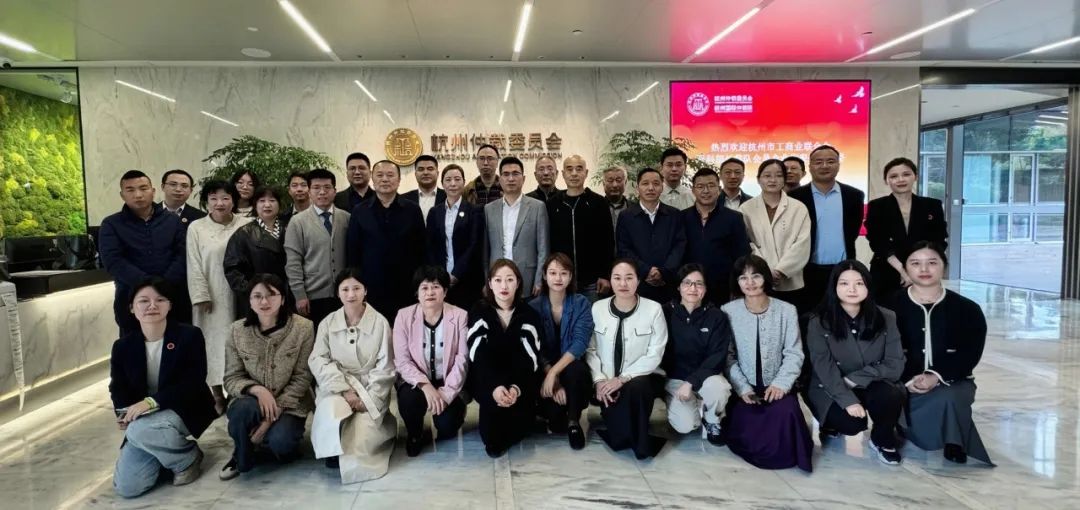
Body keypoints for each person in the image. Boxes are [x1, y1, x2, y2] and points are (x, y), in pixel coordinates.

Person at [109, 277, 215, 498]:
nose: (152, 306)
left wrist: (150, 403)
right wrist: (123, 412)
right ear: (132, 307)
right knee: (128, 487)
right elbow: (117, 387)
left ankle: (187, 457)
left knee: (139, 430)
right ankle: (164, 453)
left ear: (170, 305)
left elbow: (193, 382)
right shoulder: (122, 346)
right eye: (143, 301)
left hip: (182, 408)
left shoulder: (190, 336)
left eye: (160, 299)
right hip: (145, 420)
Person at [892, 241, 992, 465]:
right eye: (915, 263)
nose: (924, 269)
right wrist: (909, 378)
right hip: (902, 380)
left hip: (951, 381)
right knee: (889, 396)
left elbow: (970, 353)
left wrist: (936, 376)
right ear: (905, 269)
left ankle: (953, 441)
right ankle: (897, 428)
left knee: (950, 396)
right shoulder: (888, 306)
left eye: (932, 263)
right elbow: (883, 350)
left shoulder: (967, 309)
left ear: (944, 266)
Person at [805, 261, 907, 465]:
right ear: (834, 287)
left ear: (868, 286)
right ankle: (830, 423)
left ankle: (882, 439)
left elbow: (895, 364)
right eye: (844, 283)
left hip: (873, 382)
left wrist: (855, 378)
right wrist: (847, 400)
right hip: (831, 385)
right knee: (851, 424)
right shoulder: (818, 321)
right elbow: (823, 367)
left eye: (859, 283)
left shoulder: (886, 317)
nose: (852, 289)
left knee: (891, 395)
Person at [721, 255, 812, 472]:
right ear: (737, 282)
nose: (750, 282)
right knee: (749, 426)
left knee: (786, 415)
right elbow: (728, 357)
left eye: (756, 276)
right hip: (745, 388)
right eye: (743, 278)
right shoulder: (728, 311)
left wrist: (781, 384)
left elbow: (794, 353)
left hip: (778, 386)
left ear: (765, 278)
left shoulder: (787, 310)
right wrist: (742, 387)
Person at [220, 274, 315, 480]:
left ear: (283, 298)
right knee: (241, 412)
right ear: (250, 301)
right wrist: (258, 390)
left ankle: (263, 444)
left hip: (289, 403)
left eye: (271, 295)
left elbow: (303, 377)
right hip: (252, 400)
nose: (264, 302)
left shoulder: (303, 328)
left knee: (281, 441)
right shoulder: (236, 331)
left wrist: (269, 419)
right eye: (257, 296)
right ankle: (241, 456)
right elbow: (232, 377)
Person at [309, 268, 397, 483]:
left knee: (362, 434)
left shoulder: (380, 322)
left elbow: (386, 366)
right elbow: (318, 359)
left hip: (369, 388)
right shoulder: (328, 322)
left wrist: (370, 398)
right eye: (345, 289)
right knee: (330, 412)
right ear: (338, 293)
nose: (351, 294)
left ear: (365, 291)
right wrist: (344, 389)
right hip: (337, 386)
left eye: (356, 288)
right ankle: (332, 449)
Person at [587, 259, 668, 459]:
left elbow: (655, 353)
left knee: (637, 387)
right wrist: (599, 380)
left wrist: (623, 378)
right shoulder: (597, 308)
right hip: (606, 382)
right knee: (618, 432)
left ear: (638, 281)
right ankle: (627, 429)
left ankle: (640, 443)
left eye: (629, 278)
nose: (623, 283)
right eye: (617, 278)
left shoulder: (654, 309)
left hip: (642, 379)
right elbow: (591, 349)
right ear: (610, 280)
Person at [466, 259, 543, 458]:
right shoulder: (479, 311)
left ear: (518, 283)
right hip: (489, 383)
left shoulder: (529, 314)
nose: (504, 286)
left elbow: (530, 359)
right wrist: (495, 387)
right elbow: (477, 355)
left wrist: (515, 388)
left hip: (520, 383)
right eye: (498, 280)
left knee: (522, 428)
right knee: (492, 441)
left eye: (509, 279)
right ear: (490, 284)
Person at [186, 180, 252, 413]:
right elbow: (193, 263)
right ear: (206, 202)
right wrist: (200, 295)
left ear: (234, 200)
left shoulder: (247, 224)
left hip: (242, 294)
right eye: (213, 198)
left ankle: (238, 391)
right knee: (213, 343)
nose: (219, 203)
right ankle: (216, 393)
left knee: (242, 341)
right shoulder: (196, 228)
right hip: (211, 295)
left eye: (225, 198)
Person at [99, 170, 189, 336]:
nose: (138, 195)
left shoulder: (172, 221)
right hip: (130, 298)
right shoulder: (111, 224)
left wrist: (164, 284)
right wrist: (147, 284)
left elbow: (182, 255)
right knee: (134, 346)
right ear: (122, 195)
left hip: (171, 296)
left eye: (143, 188)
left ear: (153, 191)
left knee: (176, 344)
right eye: (130, 190)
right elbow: (113, 261)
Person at [393, 266, 470, 456]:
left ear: (445, 291)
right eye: (424, 287)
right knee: (409, 401)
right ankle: (415, 434)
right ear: (417, 293)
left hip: (447, 381)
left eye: (436, 286)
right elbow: (402, 361)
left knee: (447, 426)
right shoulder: (403, 316)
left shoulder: (460, 316)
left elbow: (462, 359)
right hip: (416, 382)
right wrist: (425, 386)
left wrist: (446, 393)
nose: (430, 292)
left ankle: (451, 417)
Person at [661, 263, 733, 445]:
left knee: (719, 388)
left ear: (706, 288)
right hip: (676, 379)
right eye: (687, 283)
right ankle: (685, 407)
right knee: (686, 425)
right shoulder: (665, 312)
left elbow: (717, 355)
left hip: (707, 376)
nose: (693, 288)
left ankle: (712, 419)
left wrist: (692, 382)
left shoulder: (717, 316)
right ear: (679, 287)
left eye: (699, 284)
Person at [528, 253, 594, 449]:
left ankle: (574, 422)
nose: (558, 278)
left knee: (577, 370)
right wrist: (550, 375)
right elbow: (535, 347)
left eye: (564, 273)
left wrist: (555, 373)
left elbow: (580, 343)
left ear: (571, 276)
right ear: (544, 275)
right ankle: (553, 413)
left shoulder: (581, 303)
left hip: (571, 368)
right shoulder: (533, 307)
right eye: (553, 273)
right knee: (556, 421)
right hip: (544, 369)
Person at [788, 145, 865, 311]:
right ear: (810, 167)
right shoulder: (795, 197)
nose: (824, 166)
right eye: (818, 162)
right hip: (806, 270)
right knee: (808, 315)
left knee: (842, 313)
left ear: (838, 165)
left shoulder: (854, 195)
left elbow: (852, 231)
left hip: (842, 269)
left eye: (830, 161)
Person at [347, 160, 426, 316]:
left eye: (390, 175)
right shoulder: (360, 211)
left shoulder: (412, 210)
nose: (385, 179)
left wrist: (420, 283)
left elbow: (421, 249)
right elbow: (353, 251)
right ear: (372, 178)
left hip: (406, 285)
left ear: (399, 180)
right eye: (380, 175)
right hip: (371, 286)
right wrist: (355, 285)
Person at [865, 157, 948, 301]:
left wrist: (919, 267)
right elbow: (878, 243)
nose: (900, 180)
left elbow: (939, 239)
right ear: (886, 181)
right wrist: (903, 271)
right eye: (894, 176)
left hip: (924, 271)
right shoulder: (877, 206)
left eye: (906, 174)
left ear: (915, 176)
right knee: (885, 311)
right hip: (887, 269)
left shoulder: (932, 205)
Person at [739, 159, 811, 309]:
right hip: (758, 280)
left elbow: (802, 244)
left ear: (784, 179)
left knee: (790, 319)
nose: (772, 180)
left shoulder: (798, 208)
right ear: (758, 179)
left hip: (790, 281)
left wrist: (780, 271)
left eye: (778, 175)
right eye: (767, 176)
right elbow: (746, 243)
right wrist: (765, 271)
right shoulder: (746, 208)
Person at [285, 168, 350, 330]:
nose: (322, 192)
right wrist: (300, 295)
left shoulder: (347, 218)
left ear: (335, 191)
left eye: (327, 187)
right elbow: (293, 262)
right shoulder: (298, 222)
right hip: (312, 296)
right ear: (309, 191)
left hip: (344, 294)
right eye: (316, 188)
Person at [547, 155, 614, 301]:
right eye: (569, 169)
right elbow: (548, 243)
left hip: (592, 282)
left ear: (586, 172)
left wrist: (605, 274)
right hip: (561, 280)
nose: (574, 173)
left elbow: (608, 242)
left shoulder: (599, 203)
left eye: (579, 169)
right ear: (563, 173)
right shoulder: (552, 204)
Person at [616, 167, 686, 304]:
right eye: (645, 183)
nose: (650, 188)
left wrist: (663, 272)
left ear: (662, 187)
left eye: (656, 183)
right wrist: (646, 270)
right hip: (638, 283)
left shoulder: (674, 215)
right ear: (637, 188)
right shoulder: (626, 216)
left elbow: (679, 246)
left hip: (668, 283)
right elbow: (624, 248)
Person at [483, 156, 549, 297]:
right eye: (506, 174)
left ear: (523, 179)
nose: (511, 178)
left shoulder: (537, 207)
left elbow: (543, 249)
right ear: (500, 179)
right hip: (497, 279)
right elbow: (486, 250)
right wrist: (487, 280)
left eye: (515, 174)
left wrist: (539, 280)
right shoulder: (489, 209)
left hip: (527, 278)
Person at [682, 167, 750, 303]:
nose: (706, 191)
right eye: (700, 186)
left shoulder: (734, 218)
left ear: (719, 189)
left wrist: (737, 287)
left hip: (723, 287)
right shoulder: (681, 218)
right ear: (693, 190)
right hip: (689, 287)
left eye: (711, 185)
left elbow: (742, 255)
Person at [224, 185, 289, 319]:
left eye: (272, 200)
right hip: (256, 298)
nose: (267, 205)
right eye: (262, 201)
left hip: (287, 296)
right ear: (255, 205)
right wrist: (252, 291)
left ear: (279, 204)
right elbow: (233, 269)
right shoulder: (243, 233)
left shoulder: (289, 229)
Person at [426, 164, 485, 308]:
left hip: (467, 278)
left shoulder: (474, 211)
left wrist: (456, 273)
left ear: (464, 182)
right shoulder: (434, 212)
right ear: (442, 183)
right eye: (448, 180)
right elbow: (430, 246)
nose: (453, 184)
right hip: (440, 279)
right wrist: (439, 274)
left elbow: (474, 245)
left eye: (457, 179)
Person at [401, 154, 446, 221]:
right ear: (415, 174)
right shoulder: (403, 199)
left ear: (437, 173)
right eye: (421, 169)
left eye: (430, 169)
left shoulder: (448, 197)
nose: (425, 173)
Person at [602, 165, 631, 230]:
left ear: (625, 182)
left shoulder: (635, 209)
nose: (615, 185)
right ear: (603, 184)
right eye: (610, 180)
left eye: (618, 180)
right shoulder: (594, 208)